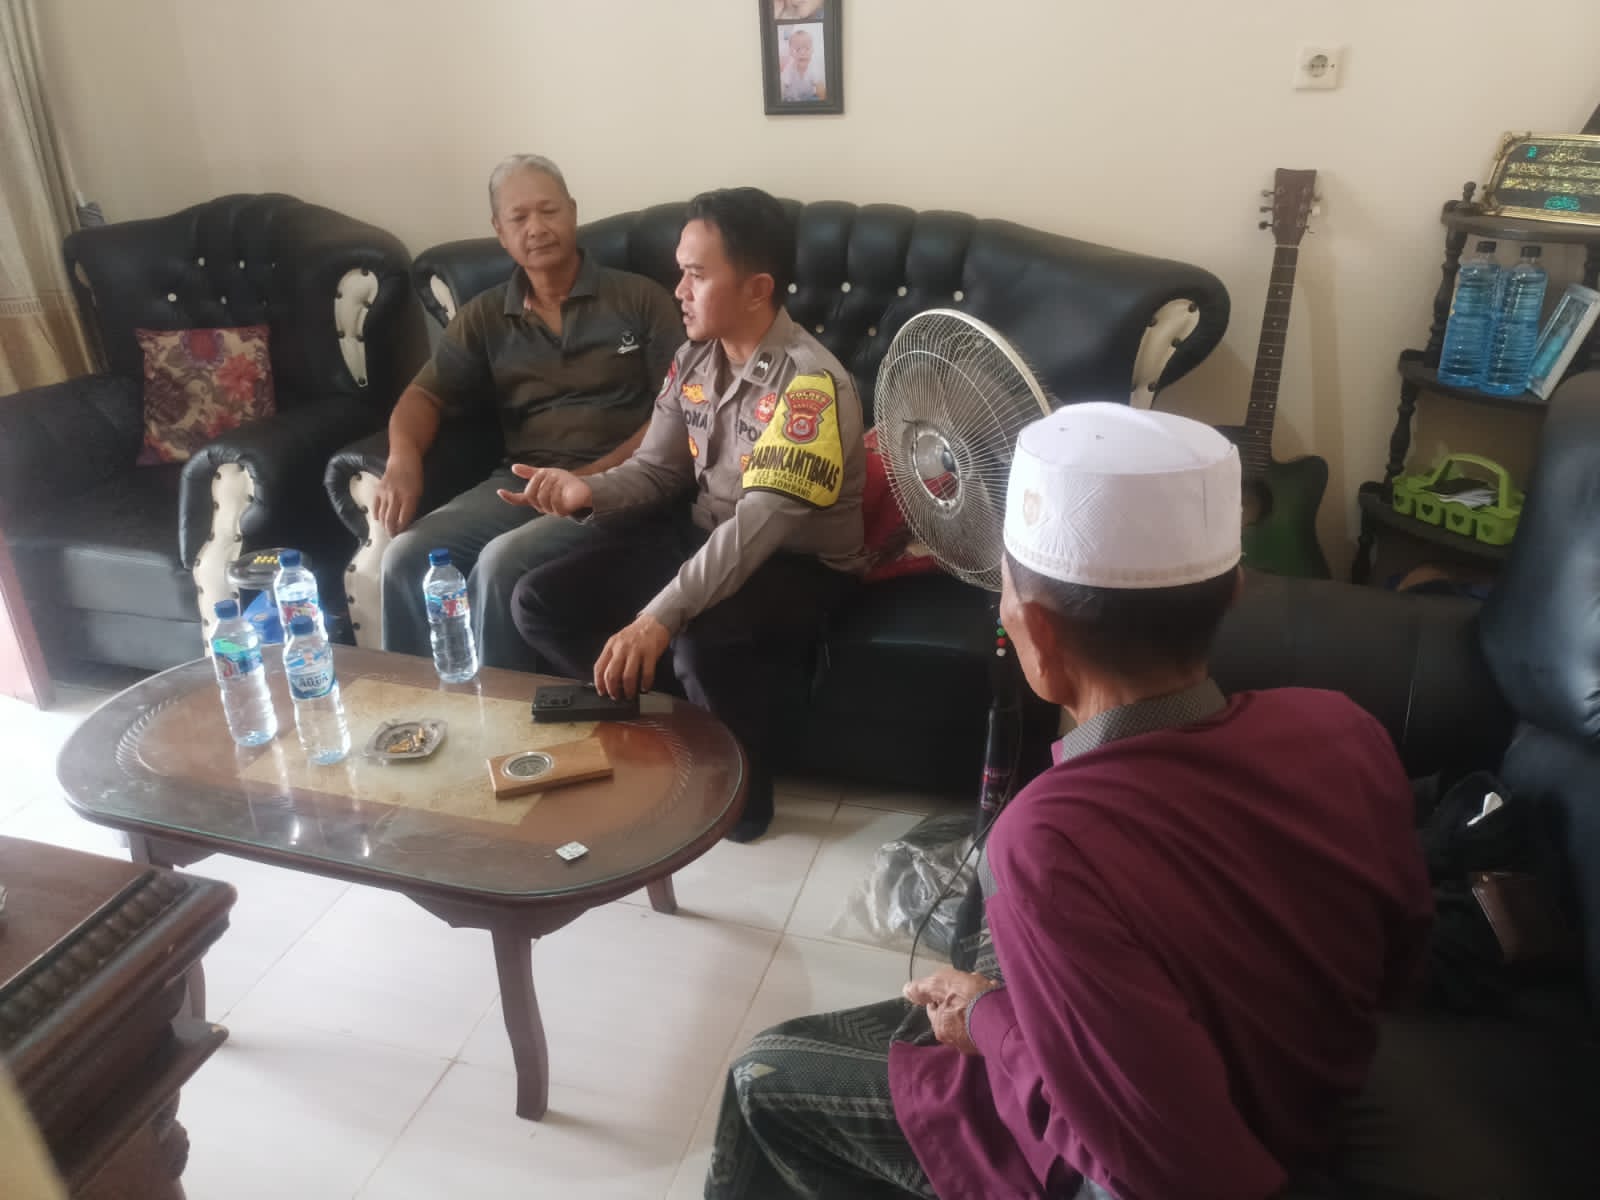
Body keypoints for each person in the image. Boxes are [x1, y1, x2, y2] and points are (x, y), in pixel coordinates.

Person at [705, 404, 1434, 1198]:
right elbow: (1399, 964)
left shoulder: (1048, 847)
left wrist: (988, 1020)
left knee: (760, 1074)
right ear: (1231, 593)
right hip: (1309, 1100)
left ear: (1040, 637)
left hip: (1165, 1167)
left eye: (1006, 598)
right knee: (981, 937)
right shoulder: (1344, 729)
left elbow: (1159, 1167)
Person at [507, 188, 865, 843]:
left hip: (797, 563)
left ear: (757, 289)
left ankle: (742, 800)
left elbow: (756, 531)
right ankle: (664, 733)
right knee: (537, 600)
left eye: (696, 275)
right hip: (705, 534)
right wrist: (586, 492)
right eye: (681, 272)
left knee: (699, 639)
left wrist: (658, 618)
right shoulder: (694, 358)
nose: (678, 291)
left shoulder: (810, 386)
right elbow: (657, 469)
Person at [373, 154, 683, 670]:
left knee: (500, 564)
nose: (537, 228)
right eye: (519, 218)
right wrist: (401, 460)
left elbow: (679, 410)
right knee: (406, 556)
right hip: (521, 483)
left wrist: (591, 479)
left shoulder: (639, 299)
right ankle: (413, 700)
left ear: (573, 212)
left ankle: (505, 711)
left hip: (616, 486)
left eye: (549, 211)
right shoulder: (486, 316)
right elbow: (423, 397)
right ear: (500, 231)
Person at [779, 28, 824, 102]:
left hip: (808, 98)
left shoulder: (813, 68)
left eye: (807, 48)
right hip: (791, 99)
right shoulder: (789, 69)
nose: (802, 52)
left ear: (812, 50)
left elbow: (821, 88)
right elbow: (782, 87)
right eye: (798, 49)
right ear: (791, 52)